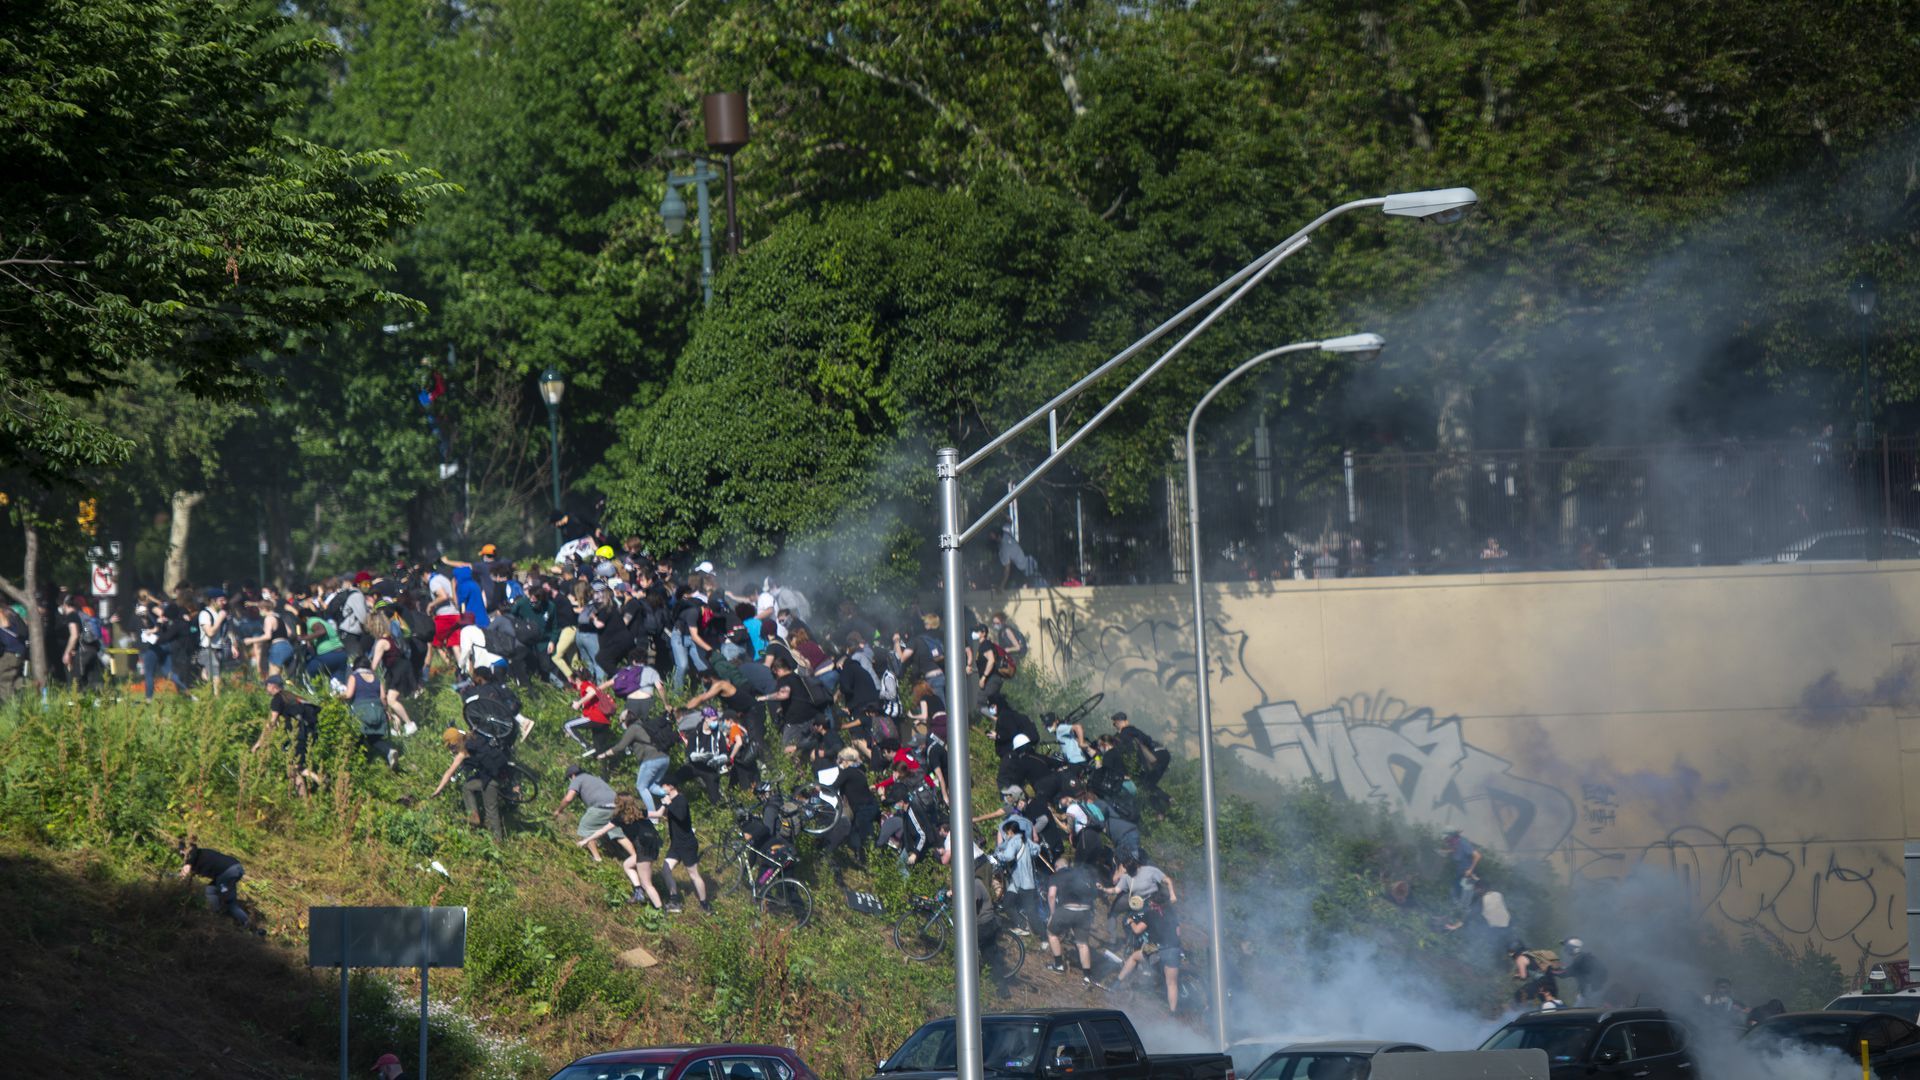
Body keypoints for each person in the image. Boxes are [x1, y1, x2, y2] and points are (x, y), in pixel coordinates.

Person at [430, 726, 511, 841]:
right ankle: (474, 816)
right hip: (498, 770)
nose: (451, 750)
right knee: (468, 787)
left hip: (493, 778)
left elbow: (449, 772)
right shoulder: (473, 737)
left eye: (451, 746)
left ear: (457, 742)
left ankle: (497, 841)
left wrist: (438, 790)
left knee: (491, 810)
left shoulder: (463, 752)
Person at [253, 674, 324, 796]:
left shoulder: (277, 699)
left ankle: (303, 802)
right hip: (307, 734)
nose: (266, 688)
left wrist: (259, 742)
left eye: (267, 685)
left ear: (272, 686)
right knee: (298, 766)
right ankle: (320, 780)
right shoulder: (292, 696)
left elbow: (271, 723)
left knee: (293, 770)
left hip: (295, 736)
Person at [651, 772, 711, 912]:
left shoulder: (681, 800)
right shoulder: (669, 800)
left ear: (671, 786)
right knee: (665, 870)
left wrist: (669, 804)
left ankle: (705, 904)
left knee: (693, 874)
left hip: (687, 844)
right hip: (676, 844)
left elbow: (681, 816)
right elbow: (664, 814)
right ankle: (674, 900)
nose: (662, 788)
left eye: (664, 786)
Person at [1112, 894, 1181, 1012]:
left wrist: (1131, 922)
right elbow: (1178, 933)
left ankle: (1116, 984)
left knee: (1134, 957)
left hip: (1155, 948)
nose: (1149, 903)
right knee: (1172, 984)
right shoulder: (1172, 914)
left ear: (1154, 904)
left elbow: (1137, 930)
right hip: (1173, 949)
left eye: (1151, 902)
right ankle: (1173, 1012)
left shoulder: (1150, 914)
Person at [178, 843, 261, 934]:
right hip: (227, 873)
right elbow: (189, 881)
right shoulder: (194, 861)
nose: (183, 855)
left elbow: (193, 850)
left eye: (183, 852)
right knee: (210, 890)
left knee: (229, 902)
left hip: (229, 871)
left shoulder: (194, 854)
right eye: (181, 854)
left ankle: (251, 927)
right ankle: (216, 914)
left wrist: (187, 864)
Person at [1046, 855, 1099, 982]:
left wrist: (1053, 913)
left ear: (1057, 867)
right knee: (1082, 944)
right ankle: (1087, 976)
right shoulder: (1078, 873)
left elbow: (1052, 895)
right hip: (1085, 912)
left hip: (1067, 909)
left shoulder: (1056, 875)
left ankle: (1058, 965)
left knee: (1051, 933)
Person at [341, 659, 399, 769]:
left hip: (362, 711)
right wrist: (387, 711)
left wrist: (338, 696)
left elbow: (349, 695)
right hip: (377, 710)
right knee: (374, 739)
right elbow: (383, 697)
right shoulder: (377, 679)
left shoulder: (354, 677)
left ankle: (361, 765)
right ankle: (389, 751)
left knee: (358, 738)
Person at [555, 764, 620, 861]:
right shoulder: (595, 778)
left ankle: (597, 858)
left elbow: (568, 798)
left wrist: (558, 810)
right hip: (618, 806)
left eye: (569, 778)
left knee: (586, 827)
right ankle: (632, 854)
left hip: (600, 806)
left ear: (572, 775)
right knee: (617, 832)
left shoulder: (577, 780)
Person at [1110, 713, 1170, 798]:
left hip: (1154, 756)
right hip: (1162, 754)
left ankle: (1163, 802)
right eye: (1114, 724)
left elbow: (1120, 744)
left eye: (1115, 723)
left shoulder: (1126, 731)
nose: (1115, 726)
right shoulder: (1134, 731)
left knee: (1144, 783)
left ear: (1122, 722)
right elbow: (1147, 740)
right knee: (1148, 784)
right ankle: (1168, 800)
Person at [1562, 938, 1609, 1005]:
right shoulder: (1583, 957)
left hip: (1590, 993)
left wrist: (1550, 969)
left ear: (1574, 948)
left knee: (1577, 1013)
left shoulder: (1580, 959)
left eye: (1567, 947)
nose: (1565, 949)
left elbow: (1565, 973)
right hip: (1592, 992)